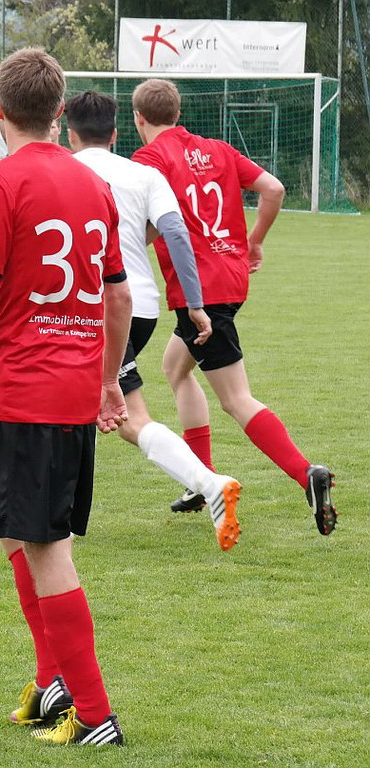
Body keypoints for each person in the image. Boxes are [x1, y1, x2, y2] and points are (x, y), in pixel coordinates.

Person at [0, 48, 129, 747]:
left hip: (27, 386)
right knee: (18, 531)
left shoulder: (0, 180)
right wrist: (105, 380)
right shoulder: (90, 181)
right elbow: (117, 295)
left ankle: (96, 715)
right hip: (70, 383)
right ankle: (51, 684)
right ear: (60, 112)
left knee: (44, 546)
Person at [130, 78, 336, 535]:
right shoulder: (218, 149)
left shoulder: (148, 160)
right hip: (231, 276)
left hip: (198, 291)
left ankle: (306, 472)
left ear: (138, 118)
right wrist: (254, 242)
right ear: (178, 113)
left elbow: (145, 227)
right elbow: (275, 189)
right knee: (175, 368)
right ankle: (199, 480)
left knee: (235, 398)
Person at [66, 89, 242, 551]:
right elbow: (176, 235)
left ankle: (208, 484)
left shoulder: (65, 170)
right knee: (85, 400)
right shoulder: (143, 173)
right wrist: (196, 304)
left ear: (69, 132)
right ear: (117, 133)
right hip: (139, 306)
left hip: (91, 305)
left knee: (123, 414)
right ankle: (61, 507)